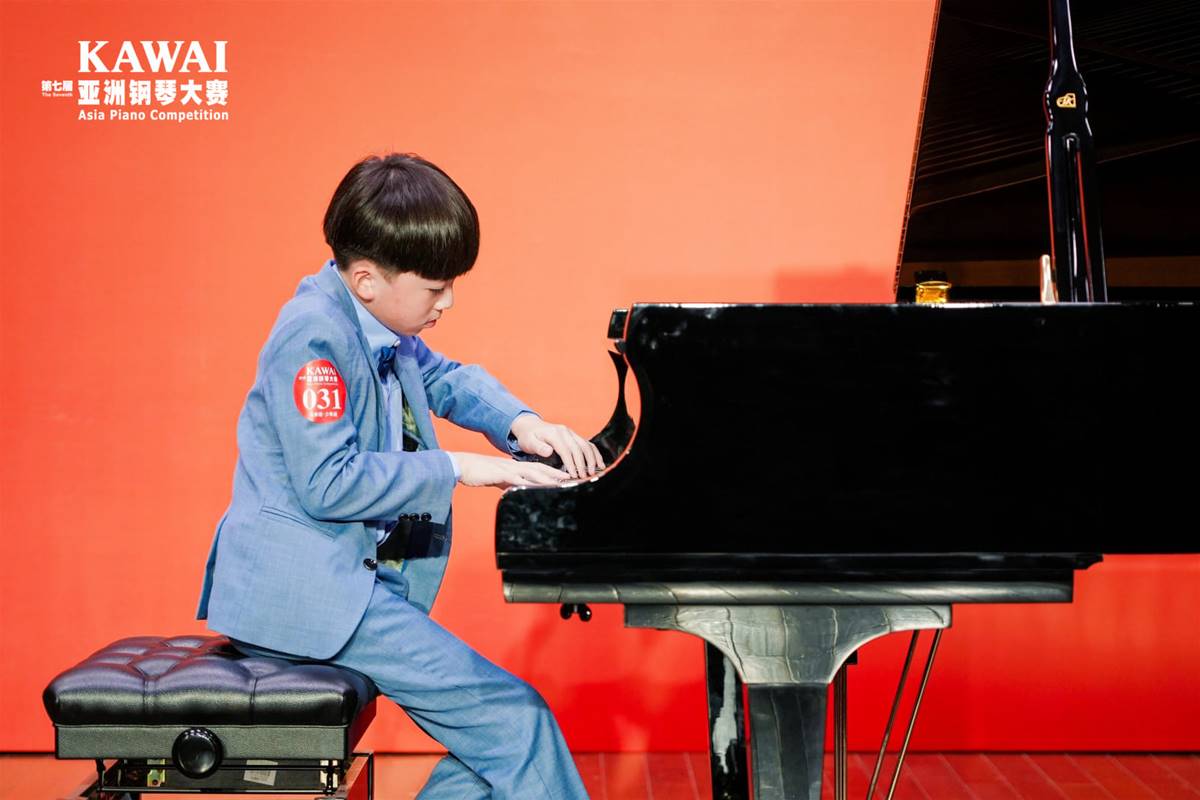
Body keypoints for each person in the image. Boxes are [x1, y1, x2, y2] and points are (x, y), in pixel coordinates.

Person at [196, 153, 600, 799]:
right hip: (311, 596)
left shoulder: (376, 323)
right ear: (366, 279)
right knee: (517, 723)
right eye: (436, 288)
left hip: (356, 588)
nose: (449, 300)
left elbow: (442, 377)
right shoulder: (312, 337)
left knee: (501, 744)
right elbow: (328, 483)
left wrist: (523, 423)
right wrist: (463, 467)